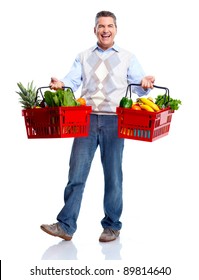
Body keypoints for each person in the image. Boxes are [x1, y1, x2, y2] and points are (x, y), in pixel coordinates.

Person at [41, 10, 155, 242]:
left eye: (110, 26)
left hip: (116, 120)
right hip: (86, 119)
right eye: (101, 26)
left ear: (116, 30)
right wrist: (60, 84)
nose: (105, 30)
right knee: (76, 173)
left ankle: (112, 226)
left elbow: (141, 86)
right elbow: (71, 82)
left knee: (113, 175)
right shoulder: (83, 56)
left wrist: (145, 83)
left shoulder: (128, 57)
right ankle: (66, 225)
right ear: (94, 30)